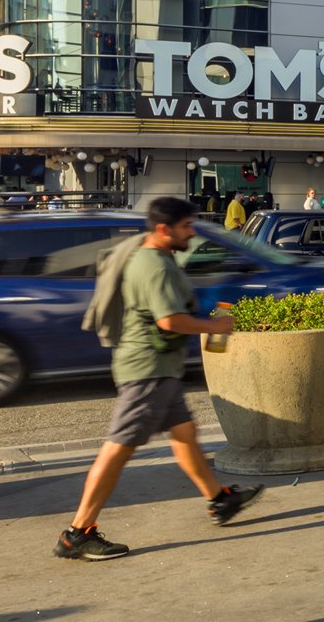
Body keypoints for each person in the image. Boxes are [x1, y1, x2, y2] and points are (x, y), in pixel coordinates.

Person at [56, 197, 262, 560]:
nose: (192, 232)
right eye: (186, 226)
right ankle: (78, 532)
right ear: (164, 229)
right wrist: (214, 326)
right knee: (118, 448)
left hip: (159, 368)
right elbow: (169, 320)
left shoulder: (154, 255)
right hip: (146, 371)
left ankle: (219, 500)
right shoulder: (155, 266)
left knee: (184, 432)